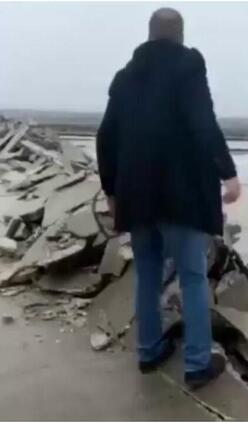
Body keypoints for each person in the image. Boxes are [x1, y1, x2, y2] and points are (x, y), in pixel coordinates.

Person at [96, 7, 241, 389]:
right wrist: (228, 172)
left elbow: (106, 137)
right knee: (193, 277)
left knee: (147, 274)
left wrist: (111, 190)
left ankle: (148, 350)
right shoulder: (188, 67)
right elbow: (203, 122)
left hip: (137, 197)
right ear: (179, 34)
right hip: (183, 197)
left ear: (149, 34)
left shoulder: (125, 78)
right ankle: (196, 364)